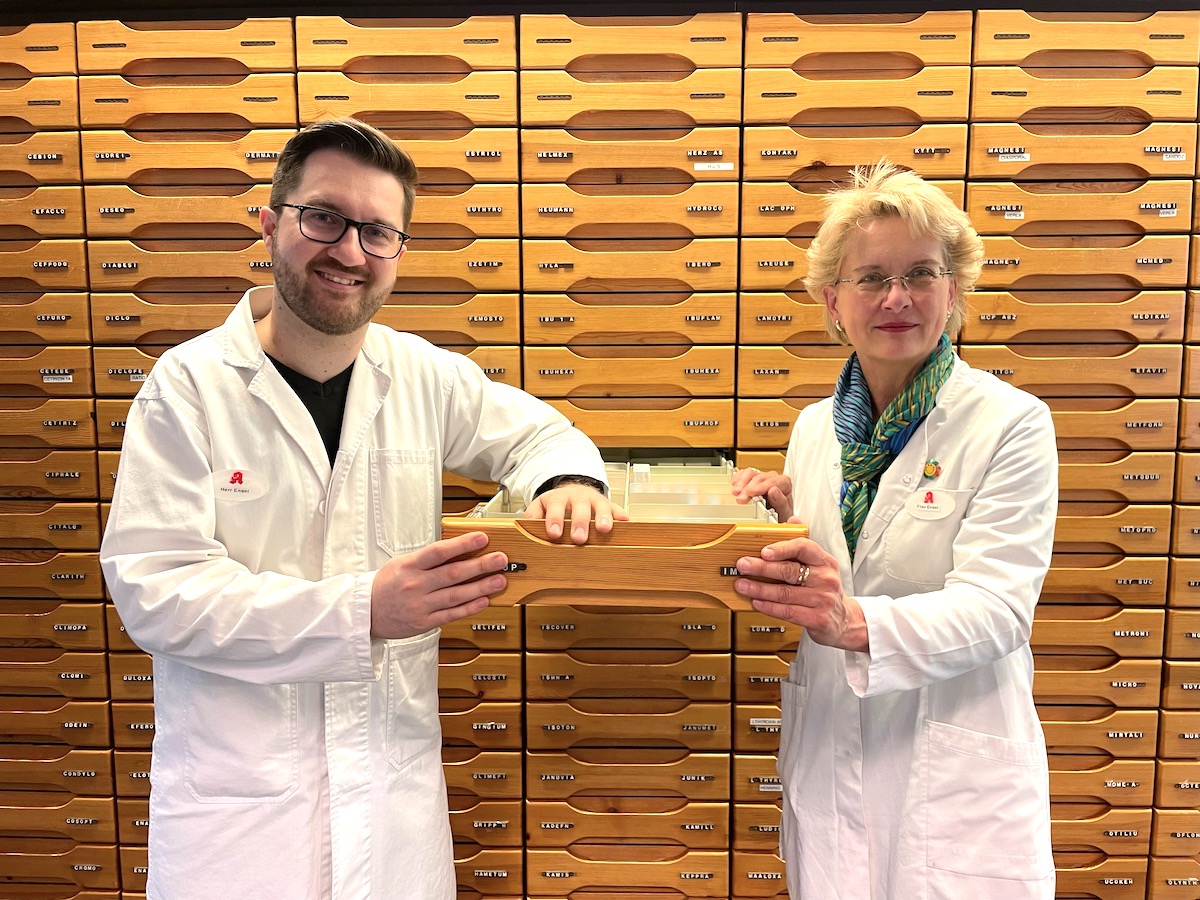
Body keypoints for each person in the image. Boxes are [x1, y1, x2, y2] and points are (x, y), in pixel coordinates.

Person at [99, 117, 623, 900]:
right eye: (324, 218)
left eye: (378, 232)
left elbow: (544, 436)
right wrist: (361, 611)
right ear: (271, 224)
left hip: (389, 811)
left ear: (398, 251)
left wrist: (566, 481)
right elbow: (159, 593)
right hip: (240, 827)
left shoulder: (422, 375)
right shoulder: (189, 387)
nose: (349, 251)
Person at [730, 160, 1057, 899]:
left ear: (954, 290)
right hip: (832, 757)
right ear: (832, 300)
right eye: (872, 278)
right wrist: (771, 524)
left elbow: (1000, 609)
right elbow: (842, 557)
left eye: (921, 274)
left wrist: (851, 622)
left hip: (954, 776)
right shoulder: (816, 430)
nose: (898, 298)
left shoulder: (1011, 423)